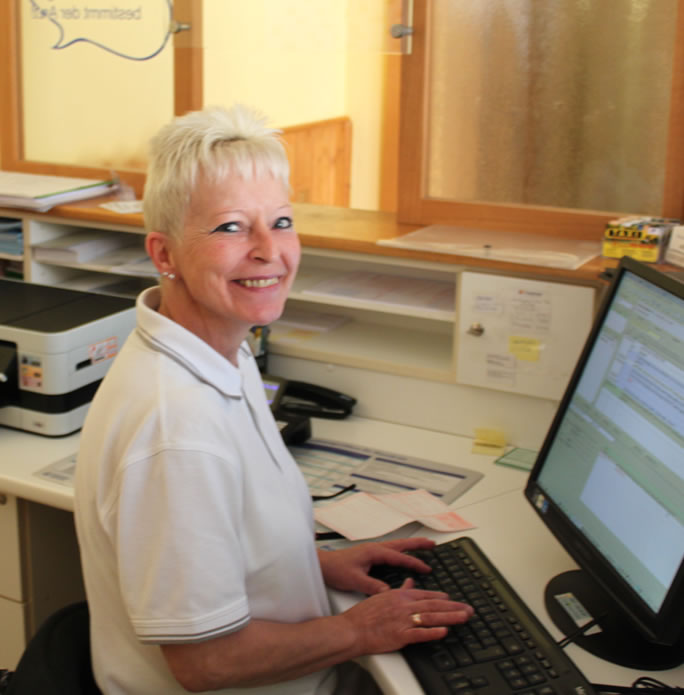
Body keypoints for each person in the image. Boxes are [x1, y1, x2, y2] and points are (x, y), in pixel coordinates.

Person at [74, 104, 474, 695]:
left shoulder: (218, 347)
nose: (269, 250)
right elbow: (207, 663)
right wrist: (357, 630)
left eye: (281, 222)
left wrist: (308, 564)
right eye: (231, 227)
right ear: (164, 255)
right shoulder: (178, 429)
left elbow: (219, 541)